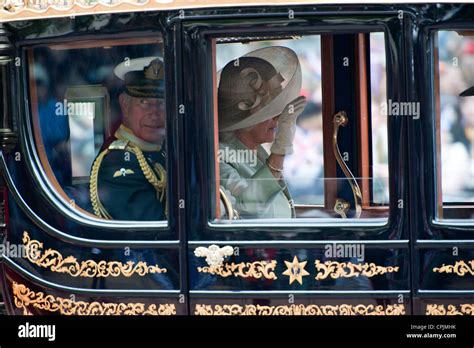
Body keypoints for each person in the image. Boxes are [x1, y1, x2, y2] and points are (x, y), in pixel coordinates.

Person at [218, 46, 306, 219]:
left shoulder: (254, 150)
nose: (279, 117)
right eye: (270, 111)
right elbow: (248, 204)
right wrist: (281, 147)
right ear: (245, 119)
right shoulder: (220, 155)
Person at [89, 57, 167, 220]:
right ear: (125, 104)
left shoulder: (162, 148)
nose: (154, 113)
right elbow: (152, 230)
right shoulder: (118, 161)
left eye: (161, 102)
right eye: (144, 102)